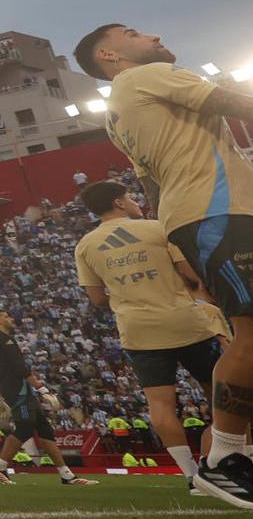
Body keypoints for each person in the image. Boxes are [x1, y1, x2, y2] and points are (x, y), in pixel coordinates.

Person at [76, 23, 253, 508]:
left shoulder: (119, 113)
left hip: (202, 215)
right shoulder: (142, 78)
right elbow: (233, 103)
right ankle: (225, 459)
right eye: (134, 32)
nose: (152, 35)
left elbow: (151, 185)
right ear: (110, 55)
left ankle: (229, 456)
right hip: (215, 211)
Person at [75, 179, 221, 487]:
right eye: (130, 197)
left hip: (140, 331)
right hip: (186, 321)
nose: (135, 201)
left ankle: (192, 477)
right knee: (219, 393)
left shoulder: (86, 245)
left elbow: (97, 298)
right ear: (119, 202)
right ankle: (224, 459)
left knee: (161, 405)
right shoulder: (157, 228)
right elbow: (191, 275)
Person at [0, 309, 98, 486]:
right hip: (18, 390)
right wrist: (42, 389)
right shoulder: (3, 339)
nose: (10, 318)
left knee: (44, 429)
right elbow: (19, 367)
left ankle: (66, 475)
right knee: (25, 426)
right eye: (6, 316)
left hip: (16, 389)